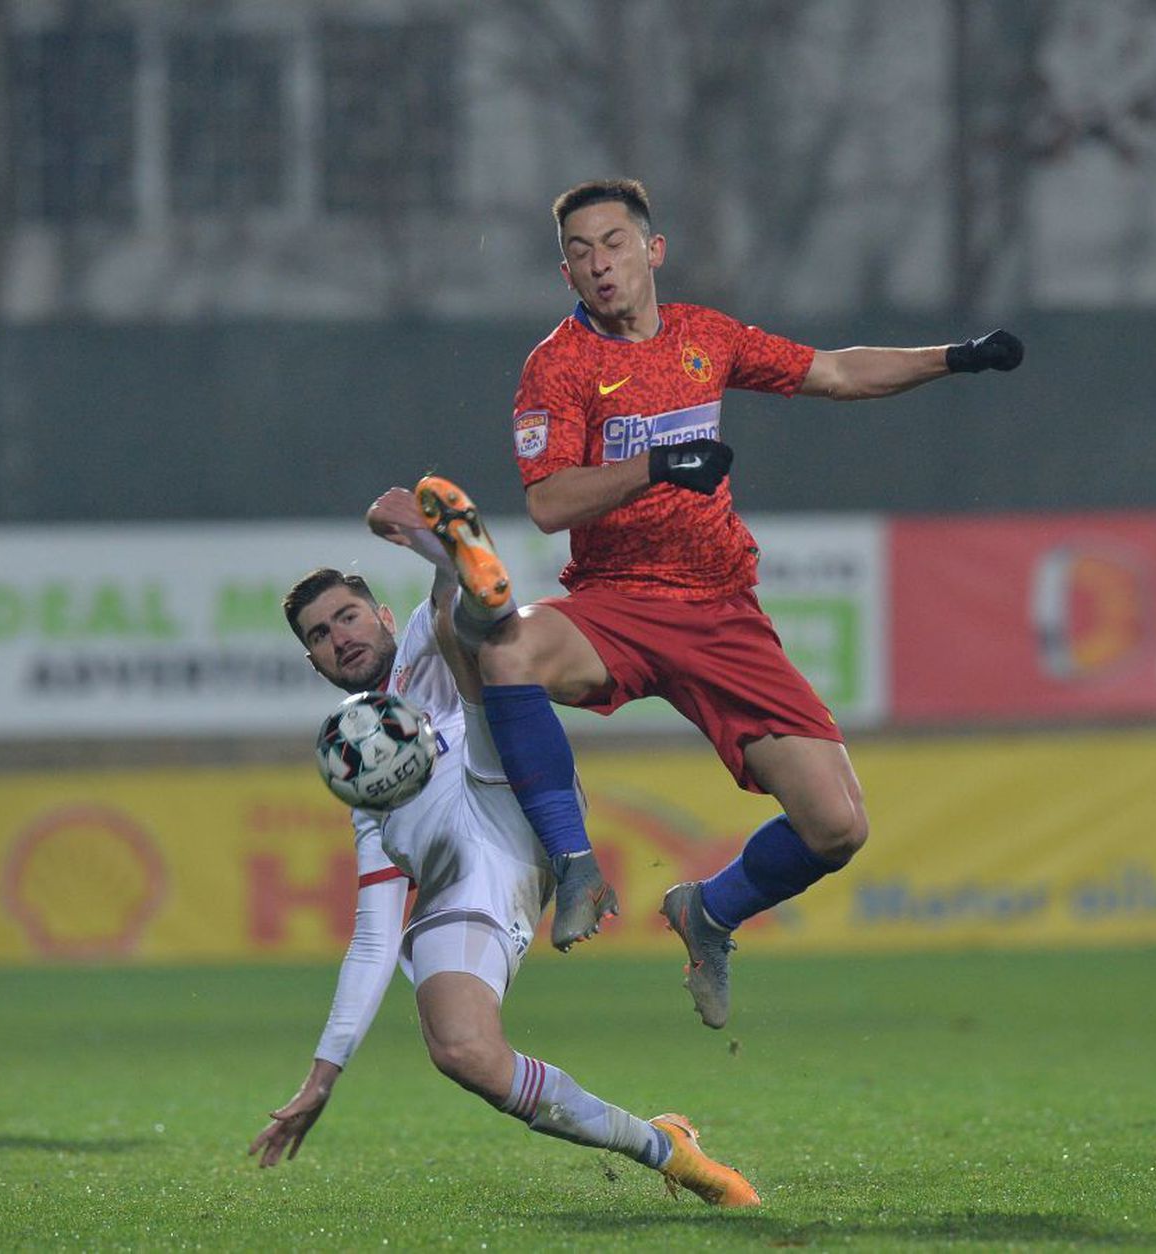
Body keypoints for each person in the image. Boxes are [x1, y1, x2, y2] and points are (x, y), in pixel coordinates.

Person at [430, 177, 1025, 1030]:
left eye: (614, 243)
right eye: (579, 252)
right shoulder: (557, 365)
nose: (599, 264)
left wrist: (956, 357)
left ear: (652, 250)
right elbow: (551, 502)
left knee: (836, 827)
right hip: (617, 604)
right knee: (507, 649)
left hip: (720, 612)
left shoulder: (705, 337)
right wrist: (660, 464)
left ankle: (708, 911)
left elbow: (835, 372)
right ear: (565, 272)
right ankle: (573, 863)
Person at [246, 499, 759, 1209]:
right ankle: (668, 1149)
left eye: (348, 617)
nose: (339, 637)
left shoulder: (423, 639)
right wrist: (321, 1077)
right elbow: (371, 939)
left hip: (517, 790)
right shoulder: (360, 778)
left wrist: (436, 550)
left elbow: (441, 609)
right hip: (476, 885)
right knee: (463, 1054)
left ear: (384, 619)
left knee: (471, 637)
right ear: (313, 660)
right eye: (321, 634)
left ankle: (462, 553)